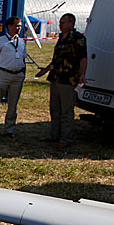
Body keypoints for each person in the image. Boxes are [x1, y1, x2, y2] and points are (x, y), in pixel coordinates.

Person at [35, 13, 87, 148]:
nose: (60, 25)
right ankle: (54, 135)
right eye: (60, 23)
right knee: (55, 109)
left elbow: (83, 58)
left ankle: (66, 139)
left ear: (71, 23)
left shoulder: (78, 38)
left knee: (66, 111)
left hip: (68, 80)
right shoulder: (60, 38)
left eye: (63, 23)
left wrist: (83, 75)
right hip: (56, 78)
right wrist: (45, 70)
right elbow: (56, 59)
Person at [0, 16, 28, 138]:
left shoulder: (21, 42)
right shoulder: (0, 41)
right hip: (3, 74)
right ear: (9, 26)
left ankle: (10, 129)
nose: (19, 28)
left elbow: (23, 58)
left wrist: (23, 73)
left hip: (17, 75)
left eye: (20, 26)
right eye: (16, 25)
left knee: (13, 104)